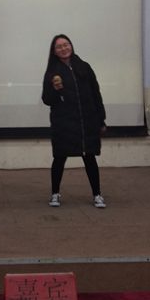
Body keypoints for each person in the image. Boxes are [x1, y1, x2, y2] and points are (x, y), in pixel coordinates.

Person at [42, 34, 107, 209]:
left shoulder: (84, 67)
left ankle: (97, 194)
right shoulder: (52, 72)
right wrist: (55, 90)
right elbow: (46, 99)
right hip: (64, 124)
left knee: (90, 158)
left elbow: (96, 94)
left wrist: (101, 119)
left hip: (86, 122)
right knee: (59, 158)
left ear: (71, 46)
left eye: (66, 44)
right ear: (54, 52)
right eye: (59, 47)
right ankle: (55, 193)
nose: (64, 48)